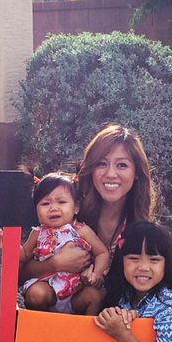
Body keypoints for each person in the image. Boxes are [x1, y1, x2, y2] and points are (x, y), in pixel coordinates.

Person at [19, 124, 157, 293]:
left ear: (136, 172)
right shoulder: (66, 211)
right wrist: (54, 264)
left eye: (122, 165)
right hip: (57, 314)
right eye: (102, 164)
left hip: (116, 316)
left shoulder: (141, 228)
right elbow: (19, 275)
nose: (111, 174)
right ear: (91, 169)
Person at [0, 173, 110, 314]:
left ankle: (86, 331)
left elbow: (102, 252)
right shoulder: (37, 233)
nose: (53, 208)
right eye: (45, 203)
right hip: (48, 289)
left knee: (95, 295)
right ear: (36, 210)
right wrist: (9, 246)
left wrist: (97, 273)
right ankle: (43, 326)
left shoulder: (82, 230)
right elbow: (24, 255)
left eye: (61, 202)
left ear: (76, 207)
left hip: (76, 292)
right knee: (35, 294)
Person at [95, 222, 172, 342]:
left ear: (166, 264)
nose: (143, 267)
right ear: (122, 261)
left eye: (154, 260)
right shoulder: (120, 293)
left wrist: (122, 335)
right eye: (134, 258)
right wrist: (109, 316)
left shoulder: (170, 306)